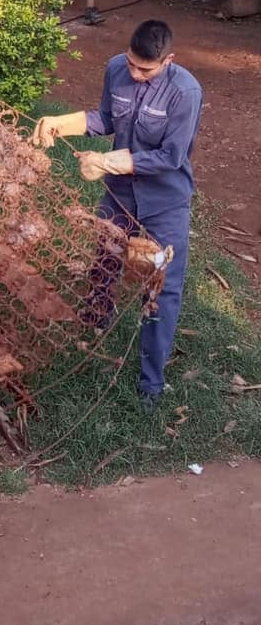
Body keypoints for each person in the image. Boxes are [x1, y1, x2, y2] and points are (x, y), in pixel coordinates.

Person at [31, 20, 203, 413]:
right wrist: (65, 123)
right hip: (120, 193)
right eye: (132, 65)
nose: (136, 74)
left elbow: (171, 157)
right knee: (106, 254)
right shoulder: (115, 69)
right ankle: (96, 320)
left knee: (163, 287)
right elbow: (107, 118)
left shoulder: (185, 92)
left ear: (168, 61)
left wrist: (110, 161)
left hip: (165, 199)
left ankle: (151, 384)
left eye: (147, 69)